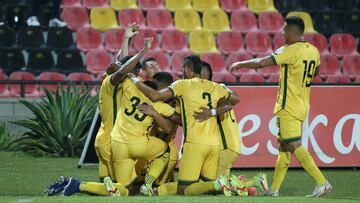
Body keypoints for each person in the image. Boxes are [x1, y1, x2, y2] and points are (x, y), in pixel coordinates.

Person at [230, 16, 332, 197]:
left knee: (292, 145)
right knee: (284, 146)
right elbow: (316, 71)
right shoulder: (313, 50)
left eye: (285, 30)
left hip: (288, 106)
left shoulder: (290, 50)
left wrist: (240, 64)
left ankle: (321, 182)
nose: (282, 33)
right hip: (302, 104)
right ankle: (274, 189)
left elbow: (263, 62)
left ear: (293, 32)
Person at [128, 55, 240, 196]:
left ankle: (219, 183)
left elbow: (156, 96)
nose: (181, 69)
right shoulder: (215, 86)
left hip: (195, 144)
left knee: (184, 189)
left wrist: (135, 80)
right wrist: (212, 112)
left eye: (183, 67)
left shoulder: (183, 84)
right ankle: (228, 183)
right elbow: (234, 100)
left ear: (188, 69)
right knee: (207, 189)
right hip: (214, 145)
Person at [198, 61, 269, 196]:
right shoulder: (221, 88)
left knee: (215, 188)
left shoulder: (213, 91)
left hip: (225, 146)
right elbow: (235, 98)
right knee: (211, 182)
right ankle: (246, 186)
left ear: (203, 75)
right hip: (230, 145)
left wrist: (212, 112)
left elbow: (232, 102)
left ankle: (253, 181)